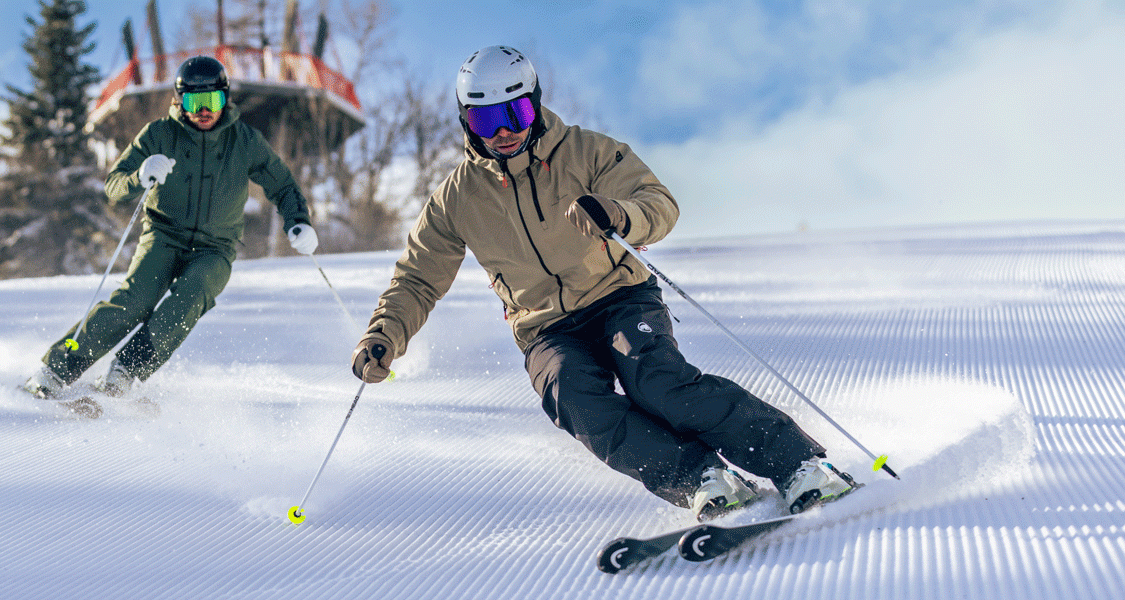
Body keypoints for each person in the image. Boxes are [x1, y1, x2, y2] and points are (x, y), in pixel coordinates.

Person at [347, 46, 855, 520]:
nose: (503, 131)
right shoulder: (457, 198)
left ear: (535, 105)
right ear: (466, 121)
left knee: (658, 382)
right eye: (485, 119)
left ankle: (799, 464)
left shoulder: (587, 152)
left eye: (515, 114)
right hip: (546, 329)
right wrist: (384, 334)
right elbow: (417, 276)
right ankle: (703, 477)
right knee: (575, 400)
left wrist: (618, 213)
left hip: (619, 296)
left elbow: (657, 202)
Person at [24, 55, 319, 401]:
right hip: (163, 236)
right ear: (180, 101)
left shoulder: (244, 141)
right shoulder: (159, 134)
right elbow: (114, 186)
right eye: (195, 101)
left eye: (213, 100)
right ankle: (55, 370)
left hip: (215, 248)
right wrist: (140, 174)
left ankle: (125, 373)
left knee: (191, 297)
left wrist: (298, 221)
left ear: (225, 99)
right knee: (134, 301)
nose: (204, 110)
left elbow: (282, 184)